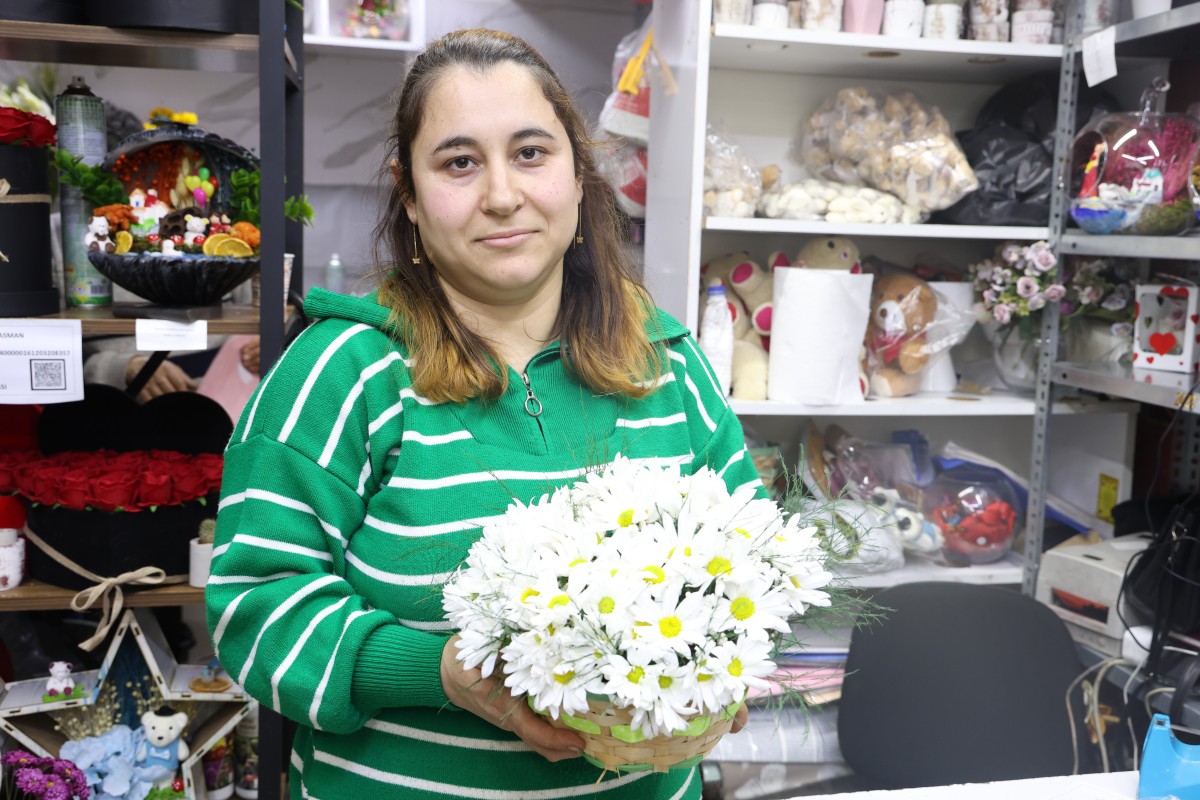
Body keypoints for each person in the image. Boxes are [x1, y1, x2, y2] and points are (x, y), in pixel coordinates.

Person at [206, 28, 763, 800]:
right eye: (459, 162)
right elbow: (255, 613)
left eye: (531, 153)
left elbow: (756, 568)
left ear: (577, 174)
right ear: (408, 190)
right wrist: (439, 672)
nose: (502, 194)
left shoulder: (668, 364)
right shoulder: (342, 373)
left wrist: (727, 668)